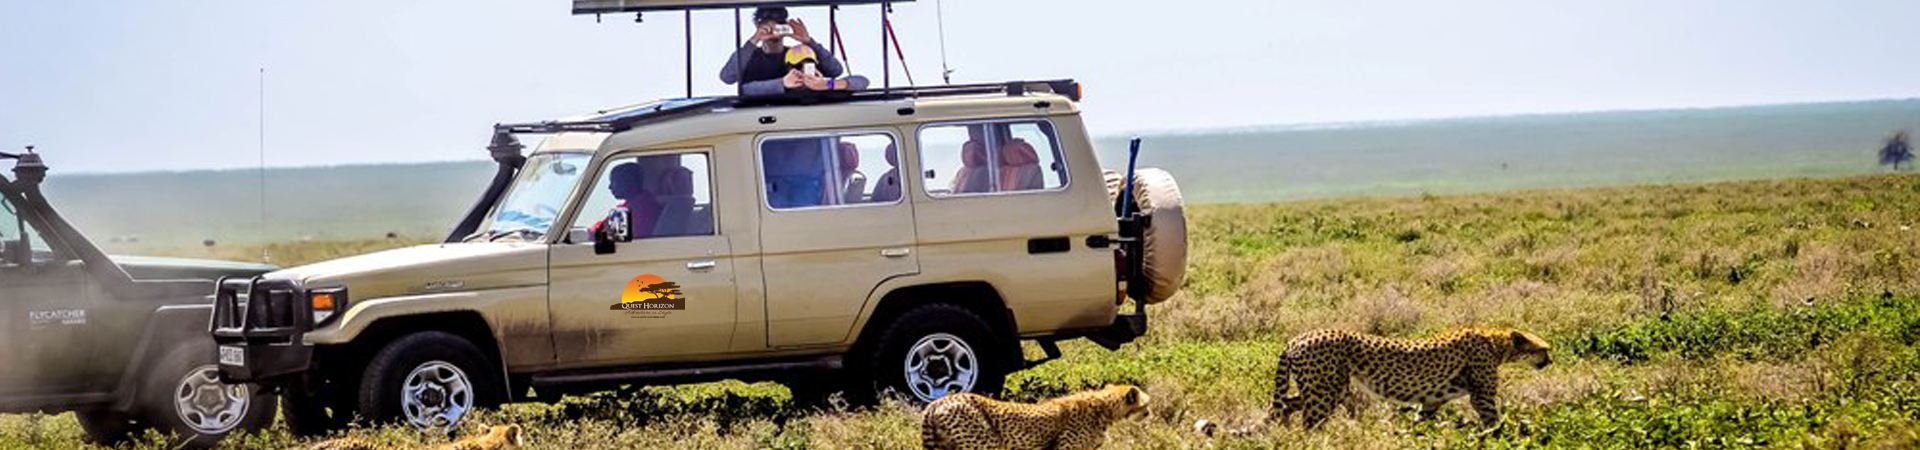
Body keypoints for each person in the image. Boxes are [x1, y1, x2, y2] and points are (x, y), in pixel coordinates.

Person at [719, 7, 868, 96]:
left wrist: (808, 41)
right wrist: (754, 40)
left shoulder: (801, 54)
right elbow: (729, 79)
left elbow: (837, 71)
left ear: (786, 26)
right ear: (758, 26)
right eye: (767, 26)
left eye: (779, 25)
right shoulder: (748, 56)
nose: (774, 30)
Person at [589, 162, 663, 241]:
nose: (609, 187)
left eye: (614, 182)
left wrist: (592, 232)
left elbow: (602, 235)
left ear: (627, 182)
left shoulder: (634, 209)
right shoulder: (646, 202)